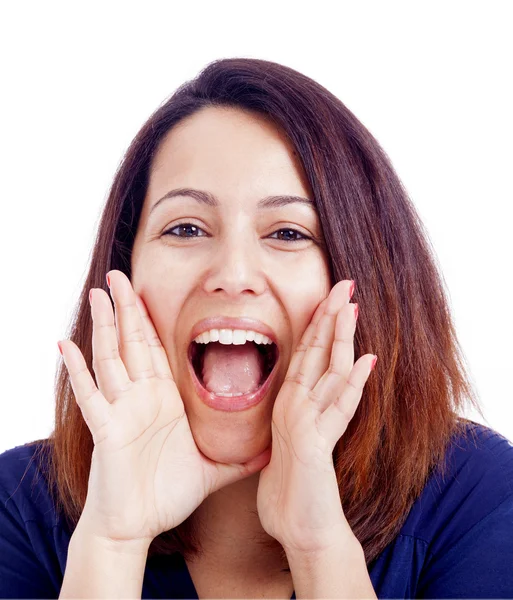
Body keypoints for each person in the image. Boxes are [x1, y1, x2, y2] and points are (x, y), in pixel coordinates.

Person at [1, 57, 512, 600]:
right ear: (124, 270)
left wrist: (319, 548)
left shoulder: (479, 499)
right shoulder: (17, 506)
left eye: (289, 233)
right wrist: (112, 544)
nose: (233, 276)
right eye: (186, 228)